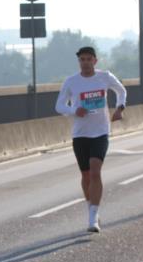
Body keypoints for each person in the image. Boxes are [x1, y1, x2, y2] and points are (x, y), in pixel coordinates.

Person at [54, 46, 126, 233]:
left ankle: (93, 217)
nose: (85, 63)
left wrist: (120, 108)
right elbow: (59, 105)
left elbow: (121, 90)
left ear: (95, 61)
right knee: (86, 175)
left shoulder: (105, 77)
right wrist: (73, 110)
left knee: (95, 172)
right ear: (79, 62)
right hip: (80, 133)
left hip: (100, 132)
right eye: (82, 60)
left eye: (88, 59)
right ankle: (91, 208)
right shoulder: (71, 82)